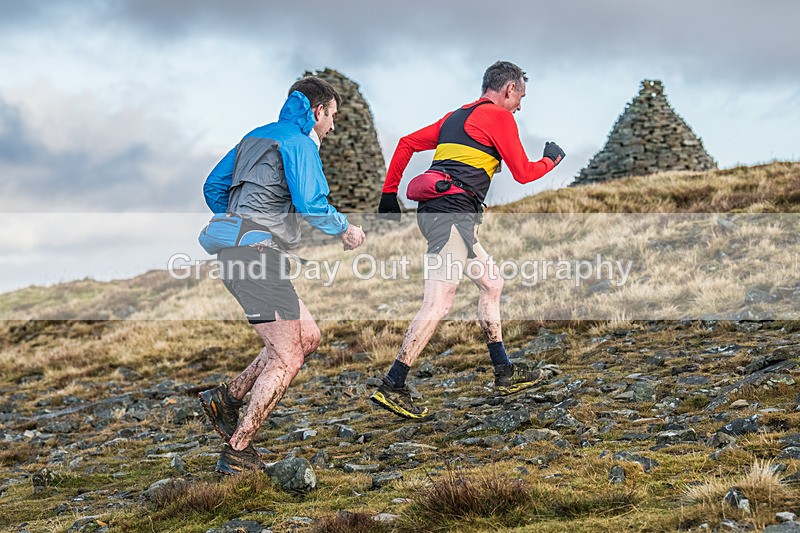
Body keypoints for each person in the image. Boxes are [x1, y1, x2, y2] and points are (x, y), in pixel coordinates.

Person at [371, 61, 564, 419]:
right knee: (438, 302)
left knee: (492, 283)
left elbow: (406, 143)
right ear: (509, 89)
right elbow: (523, 173)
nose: (520, 107)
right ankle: (393, 384)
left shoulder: (454, 118)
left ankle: (504, 371)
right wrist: (551, 161)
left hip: (444, 214)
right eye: (520, 98)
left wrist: (388, 194)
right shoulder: (498, 117)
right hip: (451, 216)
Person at [198, 76, 366, 474]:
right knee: (287, 356)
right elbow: (311, 202)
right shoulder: (300, 143)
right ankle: (238, 452)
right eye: (332, 116)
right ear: (318, 111)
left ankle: (227, 398)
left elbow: (213, 187)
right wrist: (346, 230)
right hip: (256, 258)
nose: (332, 126)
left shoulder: (254, 137)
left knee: (308, 336)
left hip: (243, 252)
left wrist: (242, 221)